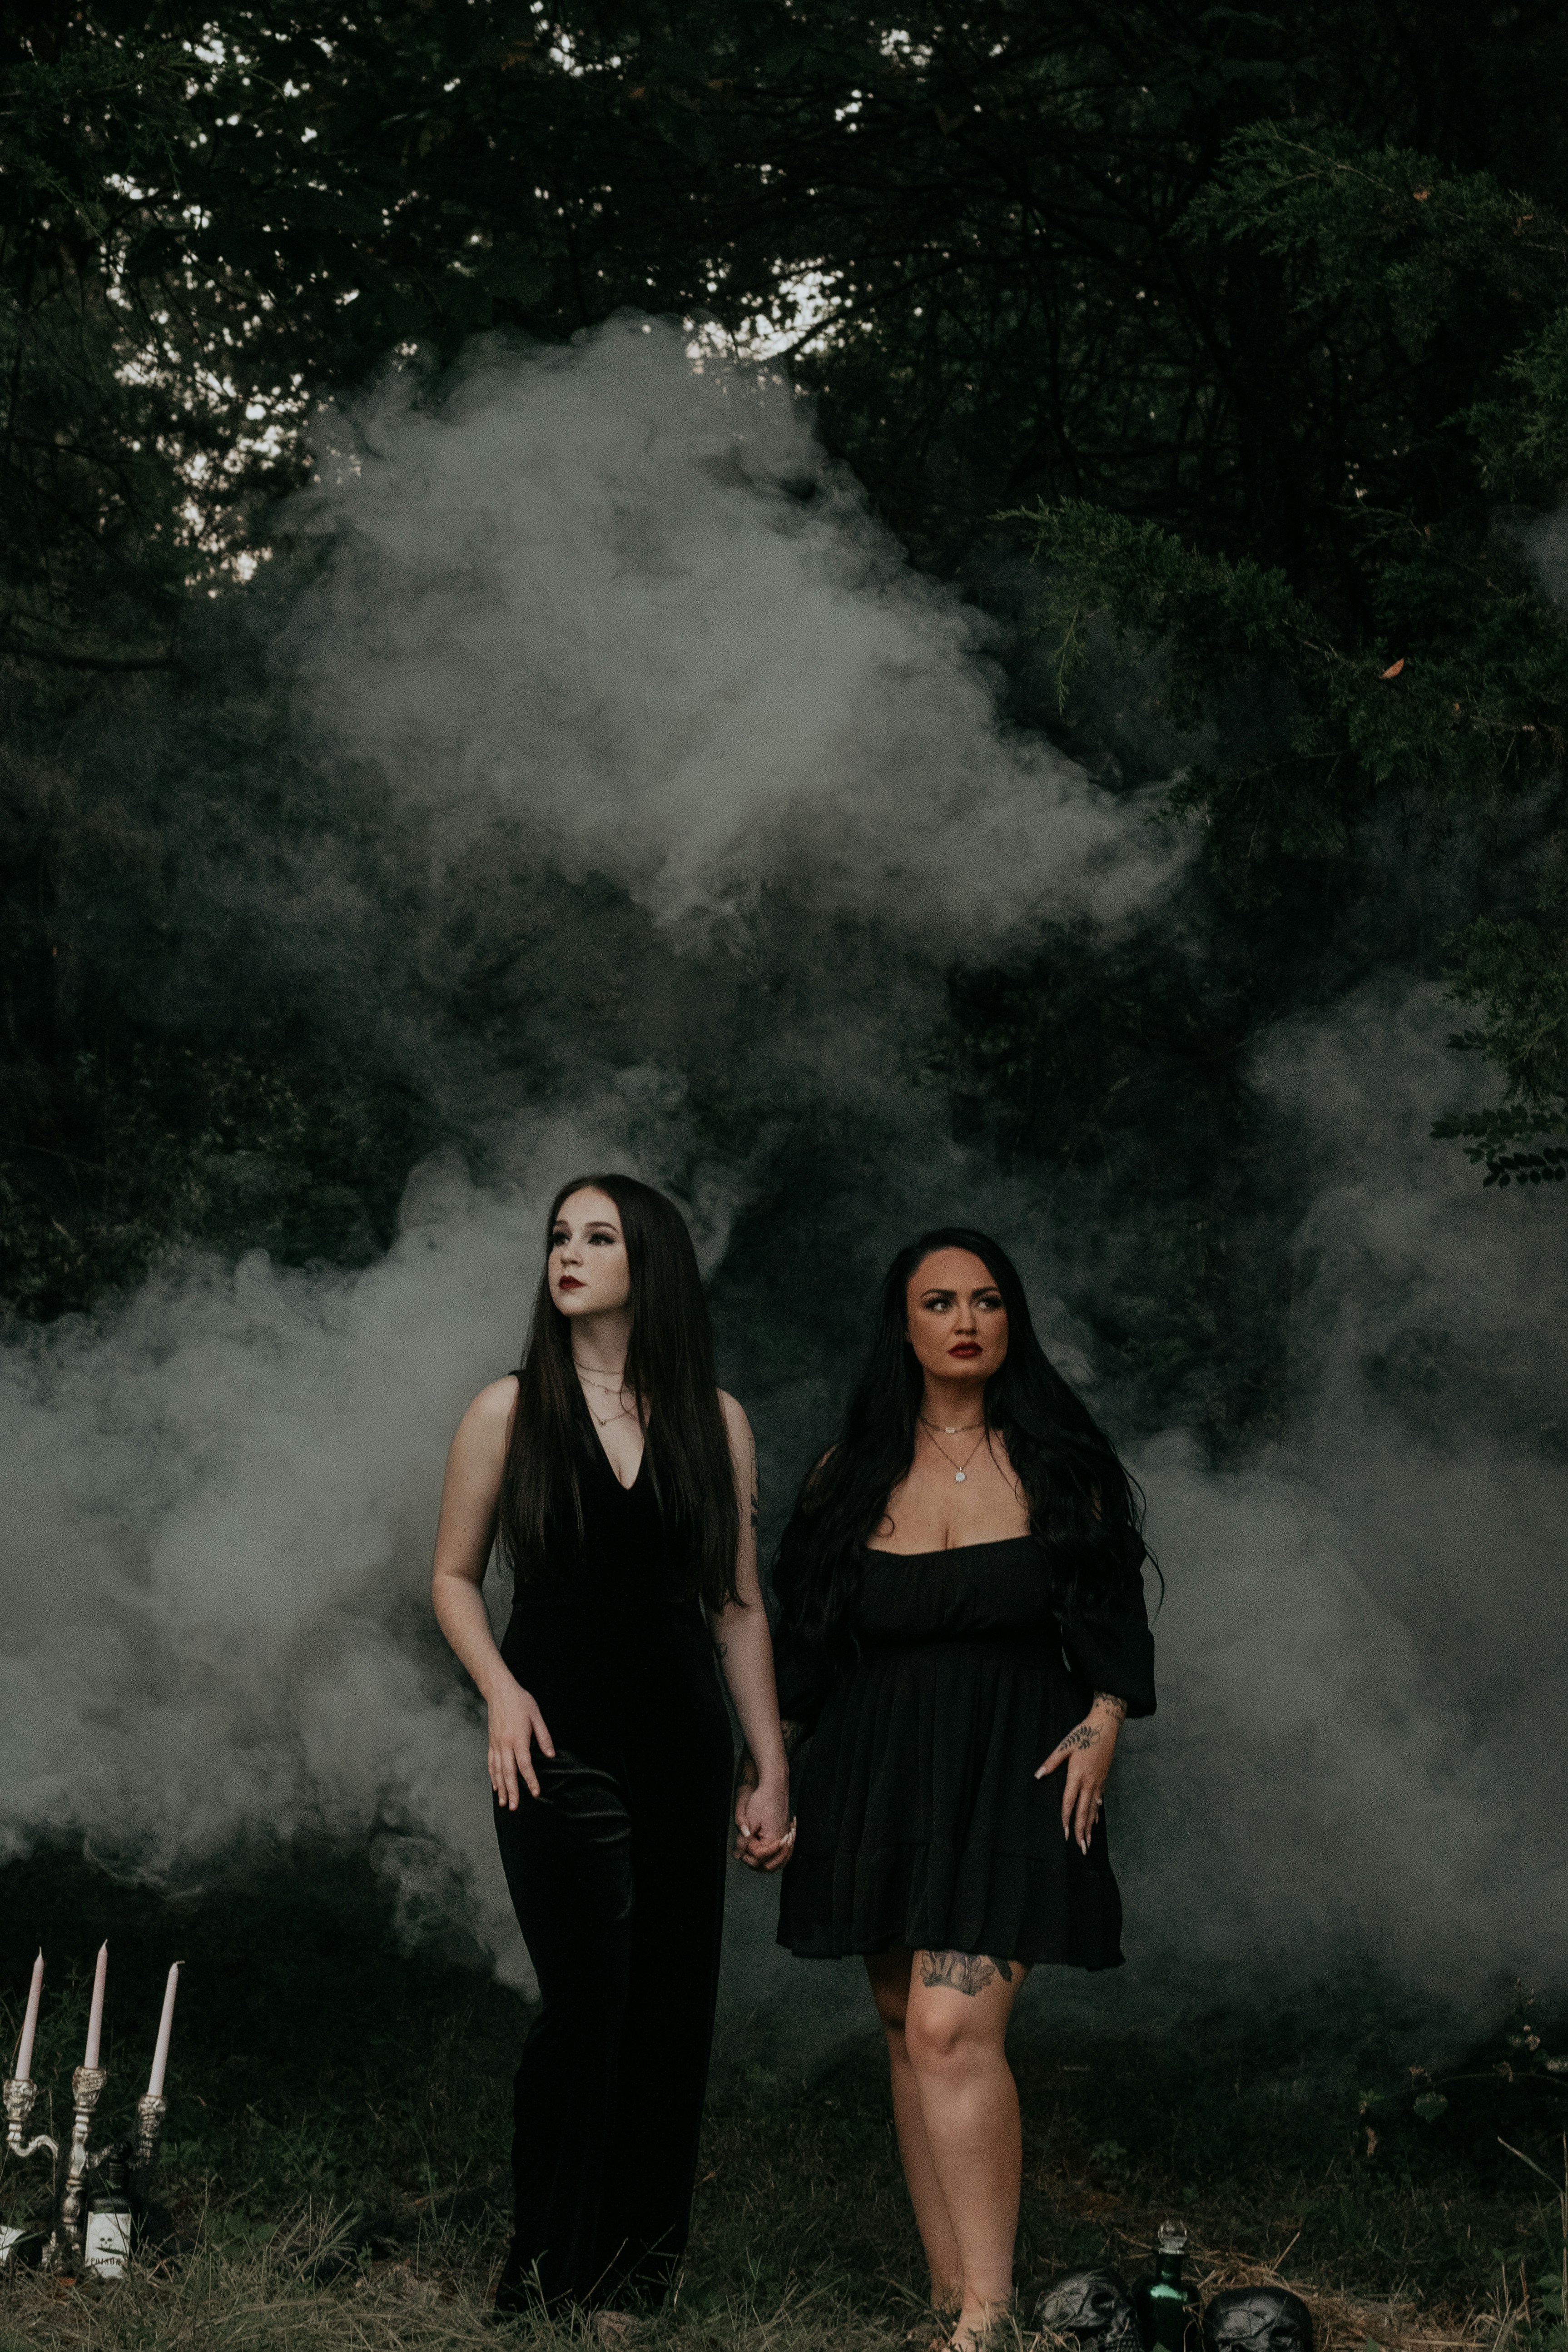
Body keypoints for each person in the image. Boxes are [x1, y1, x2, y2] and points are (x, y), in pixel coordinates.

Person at [768, 1226, 1156, 2352]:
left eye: (986, 1301)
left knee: (949, 2027)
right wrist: (774, 1776)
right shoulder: (846, 1475)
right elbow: (805, 1650)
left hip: (1012, 1766)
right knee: (903, 2025)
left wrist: (1105, 1720)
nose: (965, 1321)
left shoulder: (1056, 1464)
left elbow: (1112, 1621)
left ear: (1011, 1320)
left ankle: (988, 2318)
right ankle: (951, 2296)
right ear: (903, 1325)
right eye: (938, 1303)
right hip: (875, 1767)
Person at [431, 1173, 793, 2327]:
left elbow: (736, 1608)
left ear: (653, 1261)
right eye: (558, 1236)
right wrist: (498, 1692)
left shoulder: (714, 1420)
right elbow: (449, 1578)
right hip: (552, 1736)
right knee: (589, 2002)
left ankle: (631, 2289)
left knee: (671, 2005)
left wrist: (767, 1763)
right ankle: (540, 2279)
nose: (569, 1253)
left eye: (598, 1235)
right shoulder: (507, 1408)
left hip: (683, 1739)